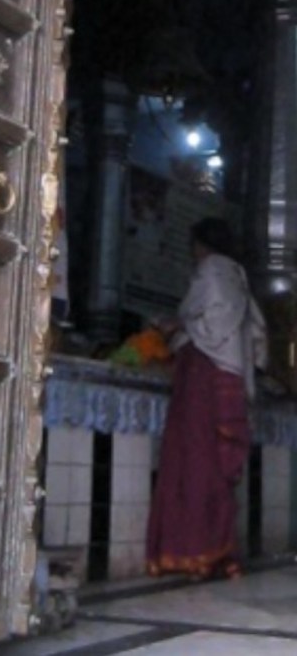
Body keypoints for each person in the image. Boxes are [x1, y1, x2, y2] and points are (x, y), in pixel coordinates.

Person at [146, 217, 267, 581]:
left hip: (203, 375)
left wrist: (172, 328)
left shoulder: (210, 271)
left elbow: (197, 321)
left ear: (199, 245)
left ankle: (191, 553)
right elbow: (257, 336)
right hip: (232, 378)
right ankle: (220, 554)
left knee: (192, 467)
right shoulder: (238, 276)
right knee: (220, 473)